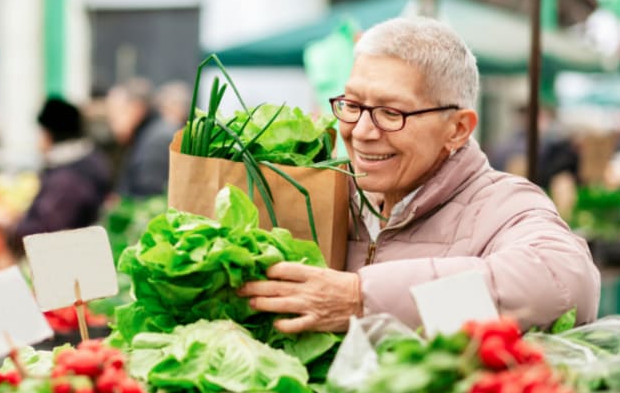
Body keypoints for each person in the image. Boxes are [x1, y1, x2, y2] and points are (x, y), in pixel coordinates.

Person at [239, 17, 600, 333]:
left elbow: (567, 286)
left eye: (391, 112)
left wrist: (362, 301)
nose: (362, 131)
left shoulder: (501, 204)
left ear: (458, 128)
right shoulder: (317, 191)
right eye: (351, 105)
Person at [0, 97, 112, 267]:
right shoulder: (86, 162)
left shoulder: (67, 179)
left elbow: (46, 231)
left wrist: (9, 228)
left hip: (63, 265)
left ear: (49, 135)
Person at [106, 78, 180, 198]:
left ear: (136, 108)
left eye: (115, 114)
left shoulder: (157, 141)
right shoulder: (148, 135)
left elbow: (148, 196)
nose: (111, 124)